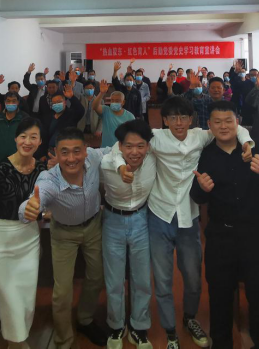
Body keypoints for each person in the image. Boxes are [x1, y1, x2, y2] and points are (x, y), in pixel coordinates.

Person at [112, 96, 255, 349]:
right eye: (173, 117)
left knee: (193, 277)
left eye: (184, 117)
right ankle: (170, 331)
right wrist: (121, 166)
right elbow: (119, 146)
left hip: (189, 217)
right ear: (165, 120)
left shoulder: (201, 136)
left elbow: (236, 127)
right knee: (163, 279)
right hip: (160, 215)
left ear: (191, 119)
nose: (178, 122)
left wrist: (246, 143)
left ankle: (190, 318)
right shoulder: (156, 138)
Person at [188, 102, 259, 349]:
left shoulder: (257, 149)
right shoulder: (205, 155)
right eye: (217, 122)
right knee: (219, 297)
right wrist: (202, 189)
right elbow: (197, 196)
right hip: (221, 237)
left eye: (228, 121)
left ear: (237, 122)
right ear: (209, 125)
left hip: (257, 237)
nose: (224, 126)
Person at [18, 128, 111, 349]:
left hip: (94, 226)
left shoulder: (93, 158)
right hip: (63, 234)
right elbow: (35, 199)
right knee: (62, 291)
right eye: (65, 152)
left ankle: (85, 319)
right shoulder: (49, 179)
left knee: (97, 276)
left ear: (86, 151)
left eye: (77, 151)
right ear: (56, 154)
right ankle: (63, 339)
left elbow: (114, 150)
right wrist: (28, 209)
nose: (71, 158)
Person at [0, 117, 47, 349]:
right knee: (9, 296)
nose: (27, 141)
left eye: (33, 137)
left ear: (40, 142)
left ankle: (17, 339)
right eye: (23, 136)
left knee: (26, 295)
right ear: (16, 139)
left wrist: (44, 210)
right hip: (0, 239)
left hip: (28, 238)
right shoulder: (0, 166)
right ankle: (16, 343)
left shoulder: (42, 170)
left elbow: (46, 199)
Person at [100, 120, 157, 349]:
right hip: (112, 220)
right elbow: (107, 156)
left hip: (141, 219)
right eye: (129, 146)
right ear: (120, 146)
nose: (135, 152)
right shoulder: (107, 162)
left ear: (148, 146)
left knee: (141, 277)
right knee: (114, 279)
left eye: (140, 146)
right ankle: (116, 325)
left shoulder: (153, 159)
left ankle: (139, 326)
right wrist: (120, 167)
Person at [0, 91, 29, 162]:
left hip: (17, 157)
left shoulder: (24, 118)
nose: (11, 103)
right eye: (8, 101)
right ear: (5, 102)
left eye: (14, 101)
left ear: (18, 102)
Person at [39, 86, 84, 158]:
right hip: (50, 151)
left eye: (59, 102)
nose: (56, 104)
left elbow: (81, 110)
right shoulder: (48, 116)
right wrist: (42, 154)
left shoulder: (71, 115)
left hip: (66, 150)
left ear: (65, 103)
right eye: (54, 103)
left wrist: (72, 97)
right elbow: (44, 136)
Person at [94, 81, 135, 148]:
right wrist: (101, 93)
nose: (114, 102)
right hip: (106, 149)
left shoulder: (130, 117)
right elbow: (95, 106)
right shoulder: (105, 110)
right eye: (112, 100)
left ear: (123, 102)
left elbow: (133, 135)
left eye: (117, 101)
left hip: (122, 149)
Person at [78, 81, 102, 147]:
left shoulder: (99, 100)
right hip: (80, 127)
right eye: (87, 88)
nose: (89, 90)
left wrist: (99, 129)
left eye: (91, 88)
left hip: (94, 128)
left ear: (94, 88)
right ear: (84, 89)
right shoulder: (80, 99)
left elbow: (102, 118)